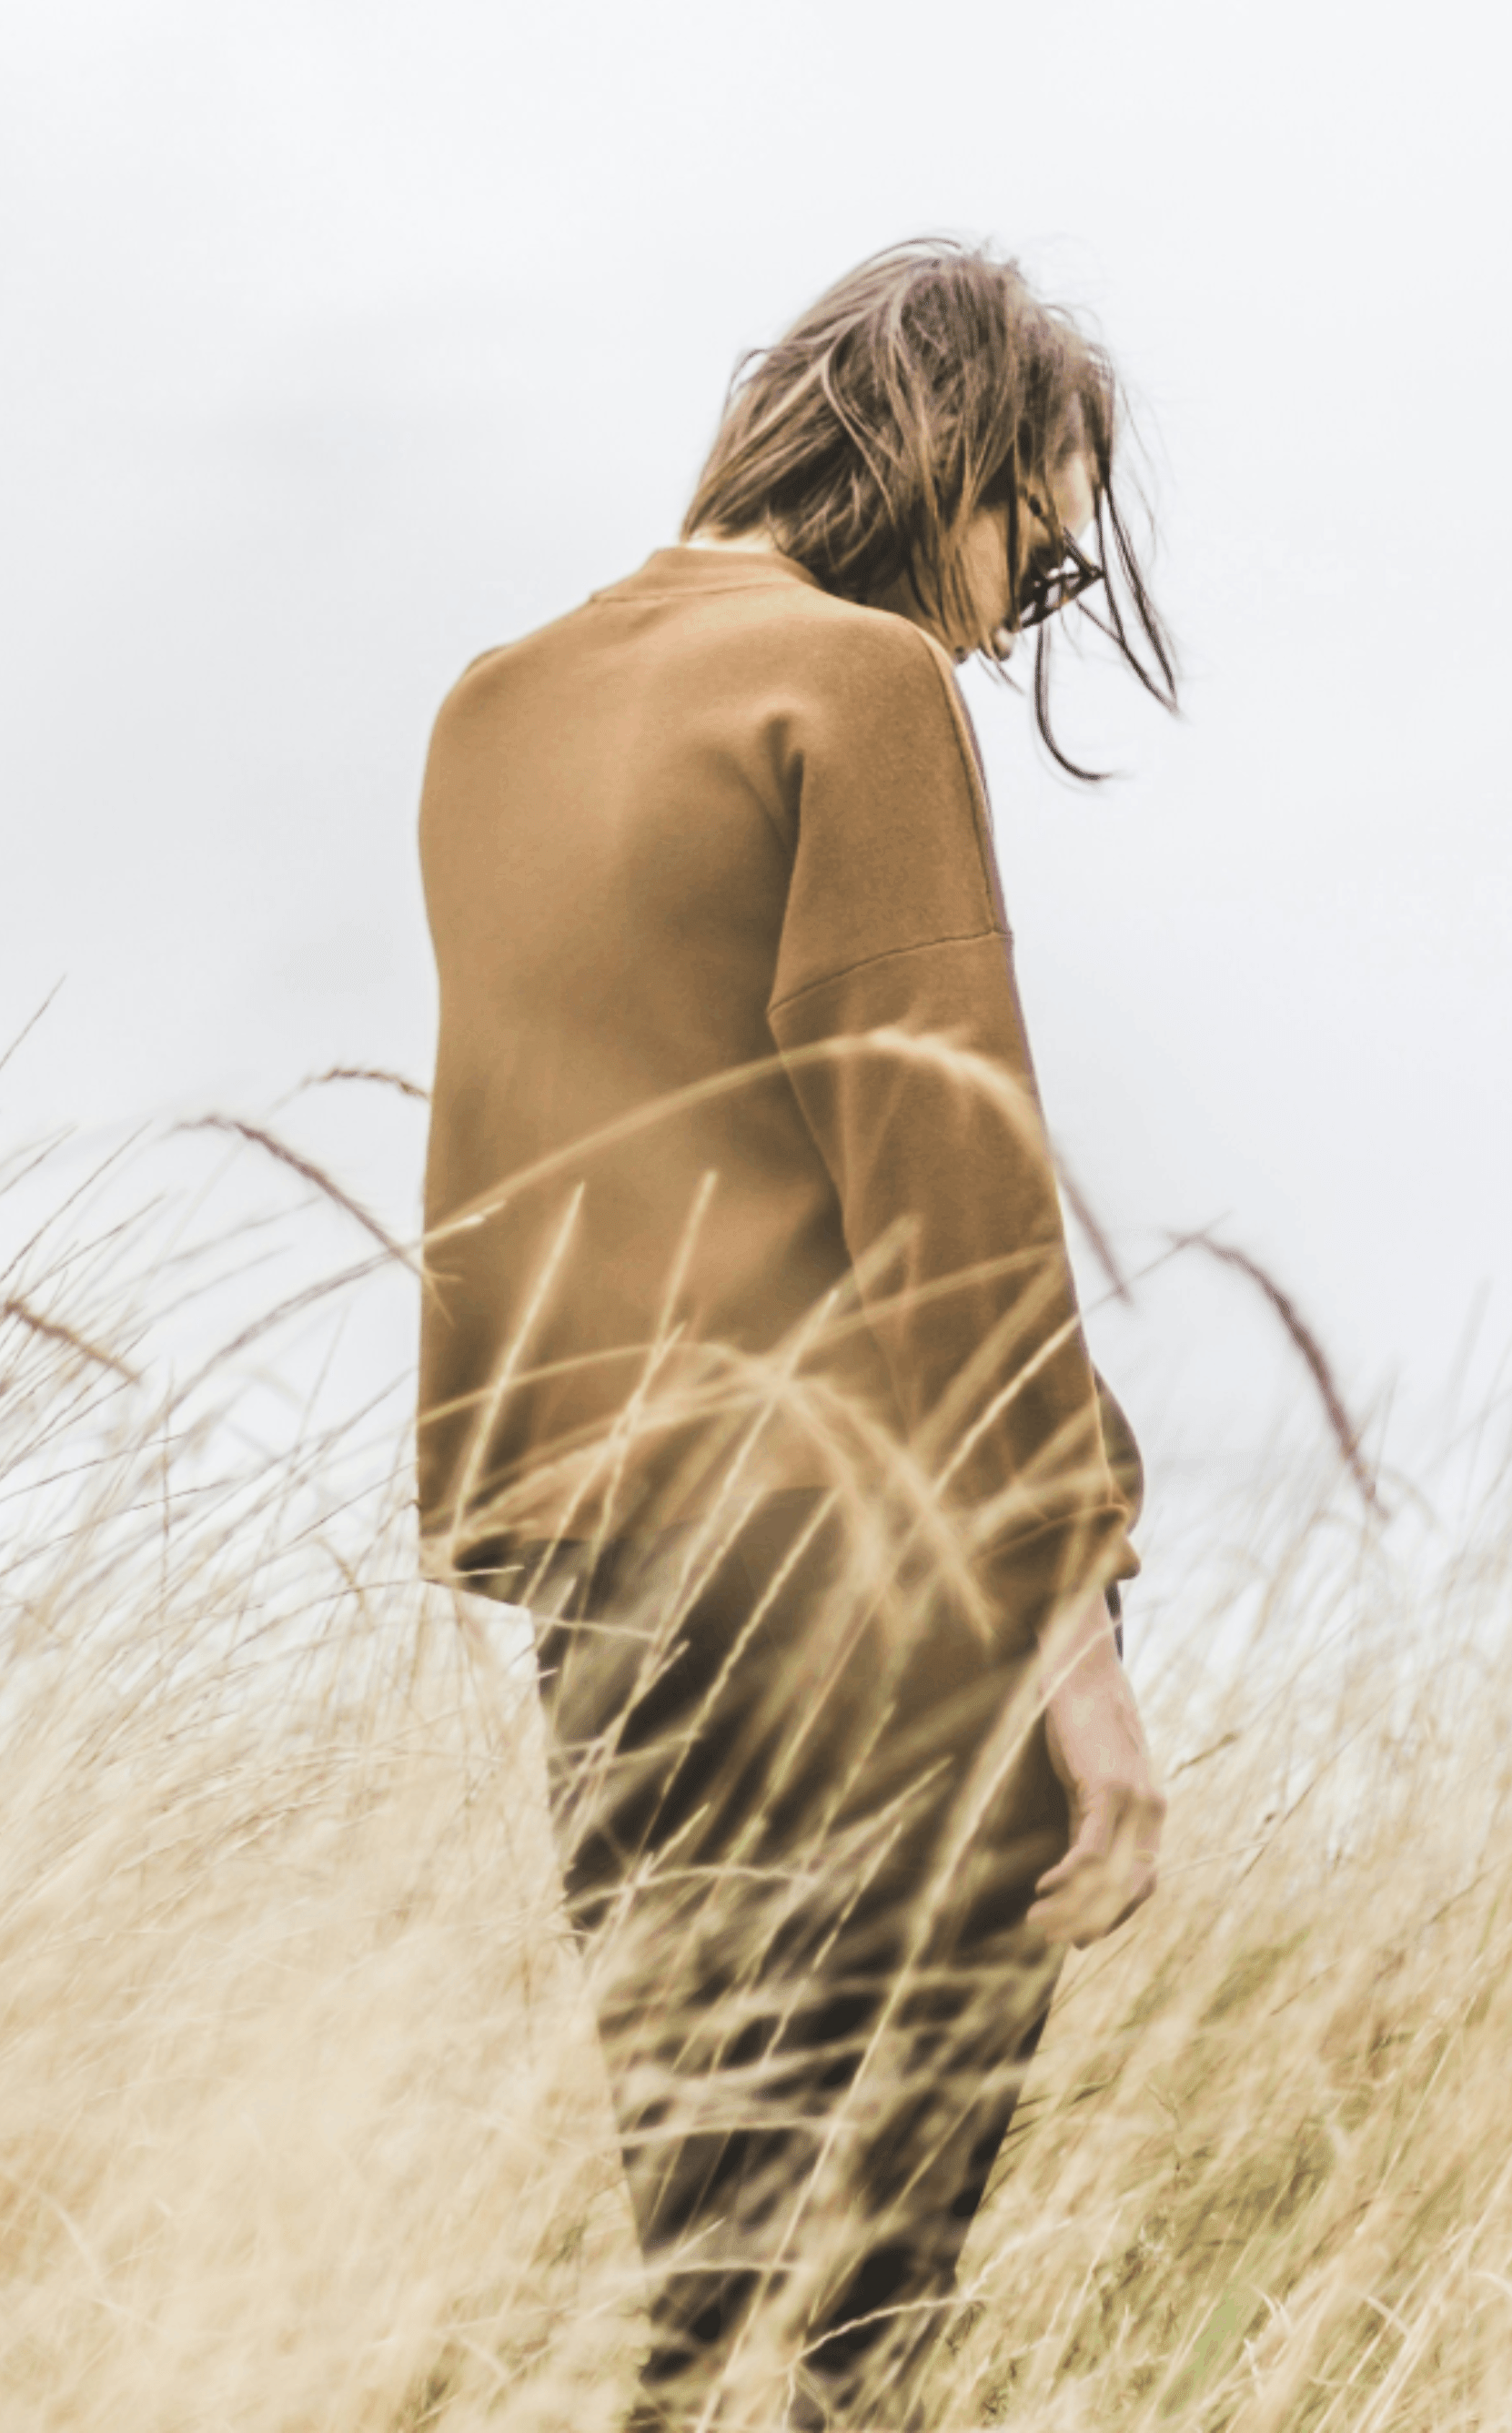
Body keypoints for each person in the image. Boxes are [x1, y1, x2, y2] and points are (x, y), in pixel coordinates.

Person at [413, 239, 1178, 2429]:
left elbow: (508, 1185)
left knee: (703, 2275)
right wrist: (1073, 1629)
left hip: (607, 1604)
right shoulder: (850, 685)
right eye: (1021, 551)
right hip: (870, 1585)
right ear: (929, 453)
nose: (993, 620)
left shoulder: (490, 710)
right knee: (869, 2324)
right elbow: (943, 1178)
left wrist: (551, 1547)